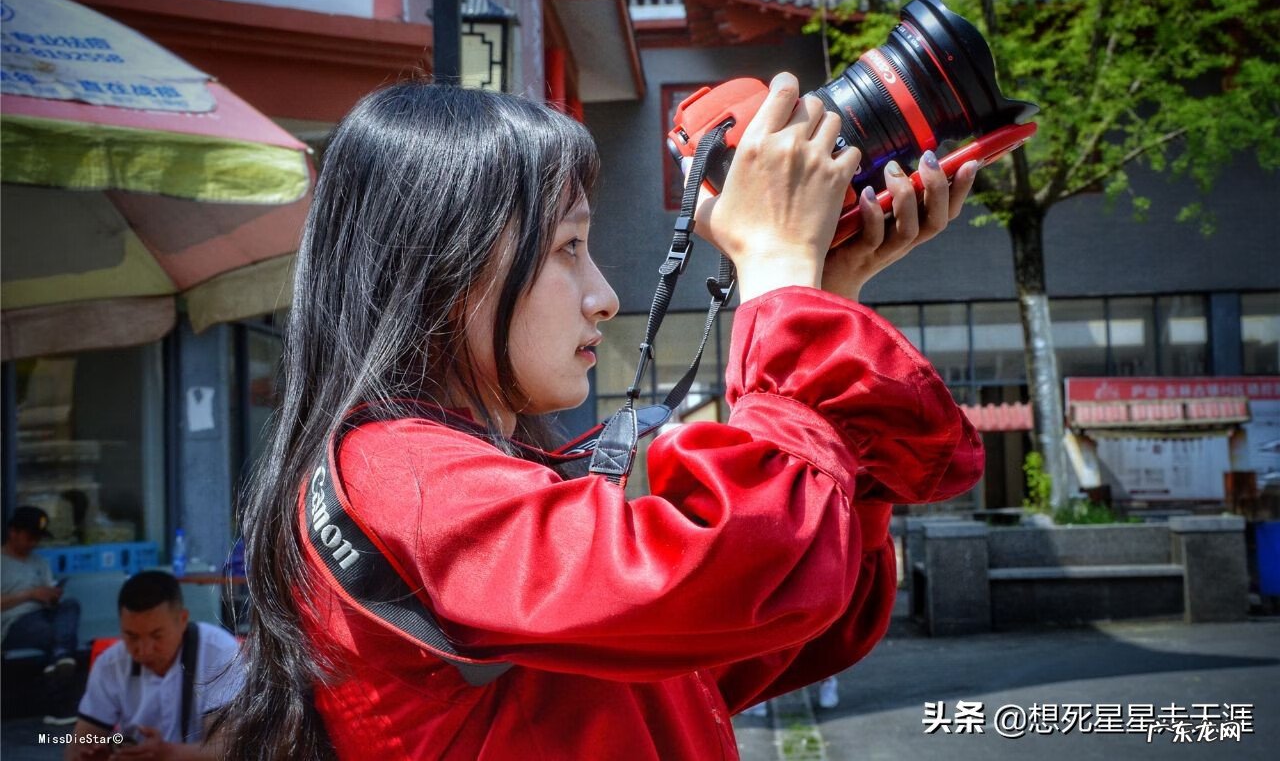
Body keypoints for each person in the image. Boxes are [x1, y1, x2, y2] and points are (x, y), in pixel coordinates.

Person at [218, 76, 983, 760]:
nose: (604, 295)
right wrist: (780, 278)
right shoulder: (399, 476)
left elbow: (730, 641)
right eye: (570, 247)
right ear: (445, 270)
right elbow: (734, 572)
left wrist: (822, 289)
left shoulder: (448, 471)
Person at [66, 571, 242, 760]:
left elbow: (226, 748)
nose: (144, 650)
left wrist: (168, 754)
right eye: (131, 636)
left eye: (157, 636)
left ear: (182, 620)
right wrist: (92, 753)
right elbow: (78, 744)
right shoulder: (110, 663)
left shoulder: (218, 651)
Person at [1, 505, 80, 724]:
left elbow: (50, 593)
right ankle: (62, 663)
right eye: (29, 537)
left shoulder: (40, 563)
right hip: (14, 623)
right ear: (13, 532)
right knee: (55, 637)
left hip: (45, 614)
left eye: (37, 538)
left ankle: (61, 659)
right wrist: (29, 594)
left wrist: (51, 595)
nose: (33, 543)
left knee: (70, 606)